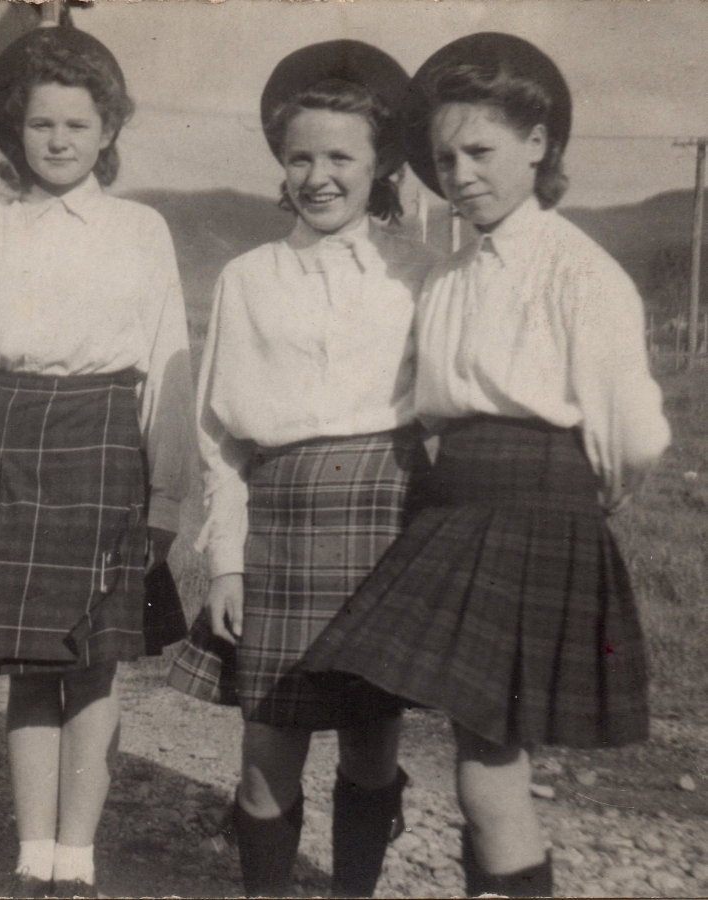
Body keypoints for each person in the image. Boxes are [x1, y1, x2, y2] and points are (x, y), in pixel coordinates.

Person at [303, 33, 671, 898]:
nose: (461, 174)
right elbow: (428, 401)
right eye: (444, 158)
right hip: (452, 505)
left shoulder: (583, 272)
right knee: (465, 749)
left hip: (536, 511)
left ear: (538, 143)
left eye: (481, 151)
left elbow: (636, 434)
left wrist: (577, 502)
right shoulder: (452, 275)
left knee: (486, 764)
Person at [0, 25, 194, 899]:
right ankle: (32, 856)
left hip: (105, 444)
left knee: (93, 661)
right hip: (12, 443)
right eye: (40, 125)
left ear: (108, 131)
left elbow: (166, 362)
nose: (59, 141)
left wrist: (168, 494)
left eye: (77, 123)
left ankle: (79, 858)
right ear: (11, 132)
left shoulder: (140, 229)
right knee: (28, 663)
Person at [166, 41, 439, 899]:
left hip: (386, 527)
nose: (319, 176)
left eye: (340, 157)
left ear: (383, 162)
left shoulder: (422, 273)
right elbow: (223, 441)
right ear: (281, 165)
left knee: (369, 747)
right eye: (300, 158)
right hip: (280, 529)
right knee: (266, 755)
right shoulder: (250, 278)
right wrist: (228, 562)